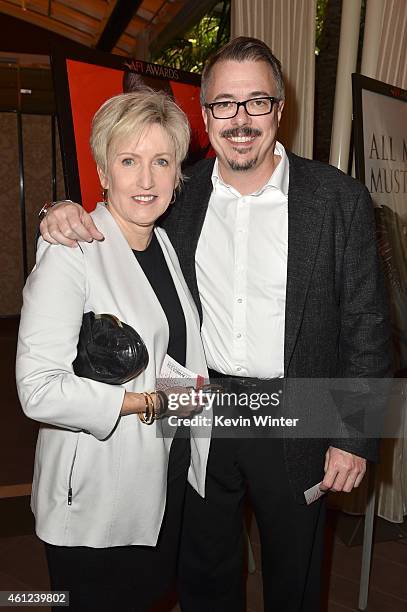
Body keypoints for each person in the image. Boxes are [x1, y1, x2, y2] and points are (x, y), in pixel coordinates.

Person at [38, 37, 391, 612]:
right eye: (225, 104)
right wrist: (54, 210)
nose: (241, 119)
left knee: (295, 578)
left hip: (299, 407)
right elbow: (117, 207)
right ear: (205, 116)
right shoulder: (181, 192)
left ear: (280, 108)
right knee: (203, 570)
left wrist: (354, 438)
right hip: (203, 408)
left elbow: (368, 325)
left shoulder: (339, 199)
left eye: (257, 102)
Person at [16, 90, 211, 612]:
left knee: (148, 598)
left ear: (177, 175)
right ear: (104, 171)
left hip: (159, 478)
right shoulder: (71, 251)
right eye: (129, 161)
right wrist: (143, 403)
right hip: (94, 495)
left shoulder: (164, 245)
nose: (146, 180)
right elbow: (37, 391)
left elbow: (173, 353)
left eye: (161, 161)